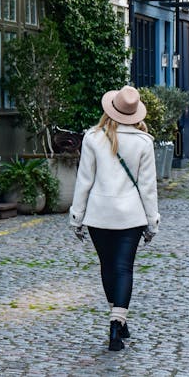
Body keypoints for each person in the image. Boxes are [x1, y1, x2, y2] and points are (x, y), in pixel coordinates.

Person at [69, 85, 160, 351]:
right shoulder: (144, 143)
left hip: (99, 215)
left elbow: (84, 181)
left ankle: (118, 317)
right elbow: (148, 187)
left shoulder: (93, 138)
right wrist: (152, 221)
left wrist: (77, 216)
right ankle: (116, 323)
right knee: (123, 268)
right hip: (130, 217)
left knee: (108, 267)